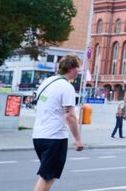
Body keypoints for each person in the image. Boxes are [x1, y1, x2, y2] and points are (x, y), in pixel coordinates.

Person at [32, 55, 84, 191]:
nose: (78, 72)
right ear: (72, 68)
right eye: (78, 68)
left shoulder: (47, 82)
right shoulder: (66, 87)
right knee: (46, 176)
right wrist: (78, 139)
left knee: (50, 176)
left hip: (38, 136)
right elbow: (70, 116)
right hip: (55, 137)